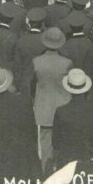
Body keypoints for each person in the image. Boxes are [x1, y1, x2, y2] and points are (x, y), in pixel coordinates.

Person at [31, 26, 73, 174]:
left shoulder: (36, 61)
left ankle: (46, 171)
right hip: (63, 104)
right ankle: (61, 170)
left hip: (44, 106)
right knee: (63, 141)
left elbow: (33, 82)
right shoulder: (67, 62)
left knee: (45, 141)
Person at [52, 68, 93, 168]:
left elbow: (55, 143)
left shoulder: (61, 111)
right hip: (89, 161)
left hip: (67, 162)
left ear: (69, 89)